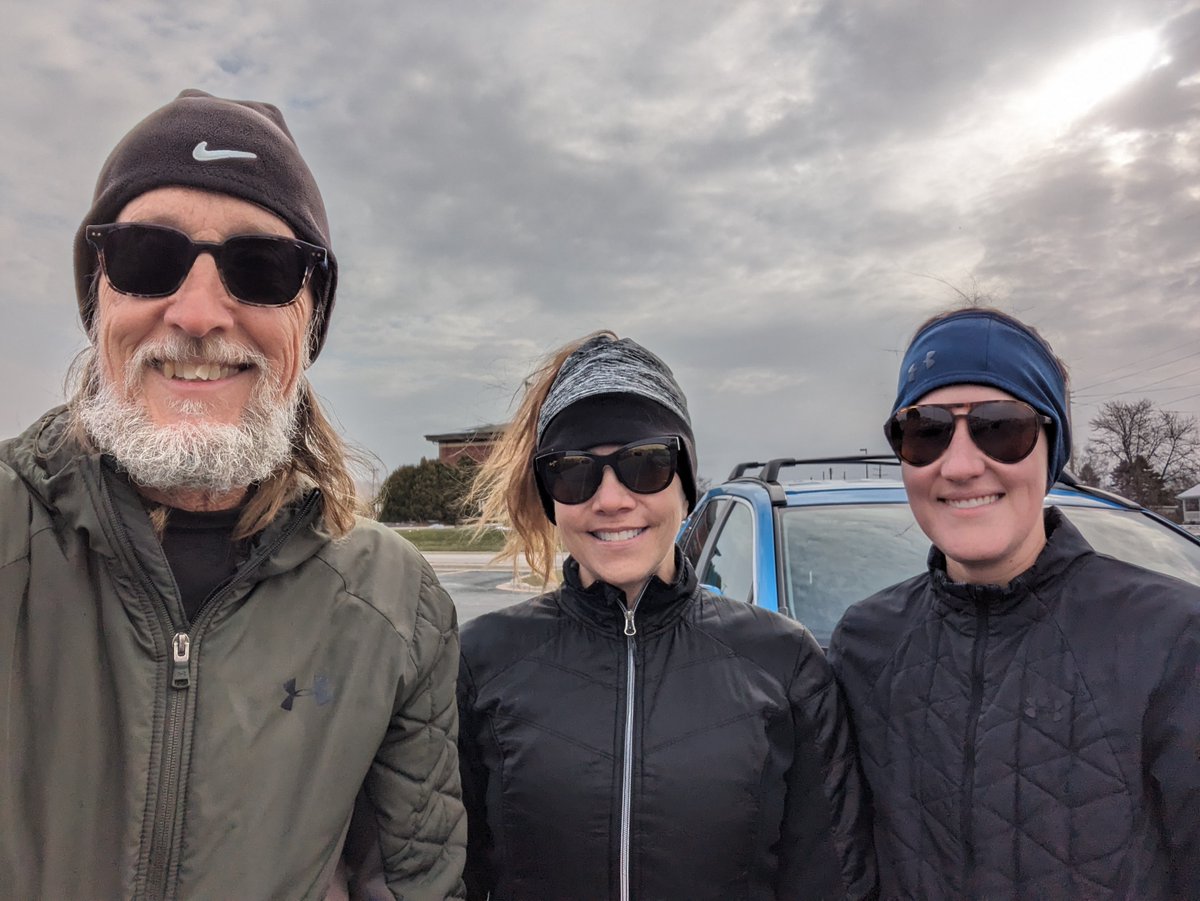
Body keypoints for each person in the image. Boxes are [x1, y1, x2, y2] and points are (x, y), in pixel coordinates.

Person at [0, 89, 465, 900]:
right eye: (149, 257)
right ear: (97, 295)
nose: (199, 312)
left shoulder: (399, 606)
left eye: (261, 269)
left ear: (309, 320)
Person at [456, 332, 877, 901]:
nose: (610, 499)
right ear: (551, 497)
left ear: (686, 485)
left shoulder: (783, 662)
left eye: (645, 465)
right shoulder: (482, 659)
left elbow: (829, 881)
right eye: (575, 472)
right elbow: (448, 872)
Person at [828, 307, 1200, 899]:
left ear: (1050, 449)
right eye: (925, 429)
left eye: (1001, 426)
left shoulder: (1173, 636)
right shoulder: (866, 642)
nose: (961, 464)